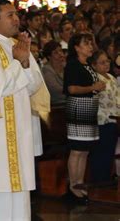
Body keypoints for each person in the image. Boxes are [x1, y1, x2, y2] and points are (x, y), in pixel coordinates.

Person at [0, 0, 46, 220]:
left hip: (20, 124)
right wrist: (18, 62)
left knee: (21, 187)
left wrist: (25, 63)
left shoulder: (17, 44)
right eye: (9, 15)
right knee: (1, 184)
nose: (16, 19)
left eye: (16, 14)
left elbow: (35, 85)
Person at [63, 33, 105, 203]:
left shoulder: (87, 64)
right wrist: (92, 87)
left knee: (85, 150)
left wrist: (96, 88)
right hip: (78, 108)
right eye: (86, 44)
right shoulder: (73, 65)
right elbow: (71, 89)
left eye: (90, 43)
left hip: (89, 109)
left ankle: (80, 184)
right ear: (77, 47)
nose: (90, 46)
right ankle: (73, 187)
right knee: (77, 150)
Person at [89, 50, 119, 183]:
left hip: (114, 118)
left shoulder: (111, 77)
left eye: (107, 61)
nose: (106, 64)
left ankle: (107, 176)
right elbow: (101, 98)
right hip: (101, 118)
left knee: (110, 149)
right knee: (101, 150)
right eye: (102, 62)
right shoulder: (94, 78)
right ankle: (99, 178)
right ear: (94, 65)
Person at [42, 41, 67, 106]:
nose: (60, 54)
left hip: (70, 101)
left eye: (61, 51)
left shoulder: (67, 67)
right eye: (56, 53)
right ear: (49, 56)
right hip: (57, 105)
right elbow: (55, 90)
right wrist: (74, 90)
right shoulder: (47, 70)